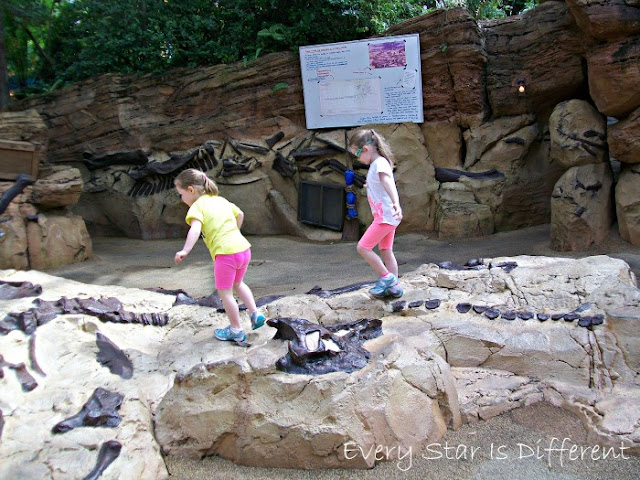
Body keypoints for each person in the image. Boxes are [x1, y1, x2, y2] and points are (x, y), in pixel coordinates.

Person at [173, 168, 266, 342]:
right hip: (243, 250)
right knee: (238, 283)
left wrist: (185, 250)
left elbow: (195, 228)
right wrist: (235, 231)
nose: (181, 198)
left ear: (191, 190)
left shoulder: (197, 207)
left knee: (225, 293)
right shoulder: (220, 200)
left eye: (181, 194)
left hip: (226, 255)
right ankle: (255, 313)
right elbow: (240, 214)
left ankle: (236, 329)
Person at [349, 129, 403, 298]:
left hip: (385, 217)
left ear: (365, 149)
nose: (357, 159)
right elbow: (380, 183)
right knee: (386, 249)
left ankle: (386, 277)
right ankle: (395, 286)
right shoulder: (377, 164)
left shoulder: (379, 163)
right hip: (388, 216)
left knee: (363, 247)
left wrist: (396, 202)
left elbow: (388, 182)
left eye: (356, 155)